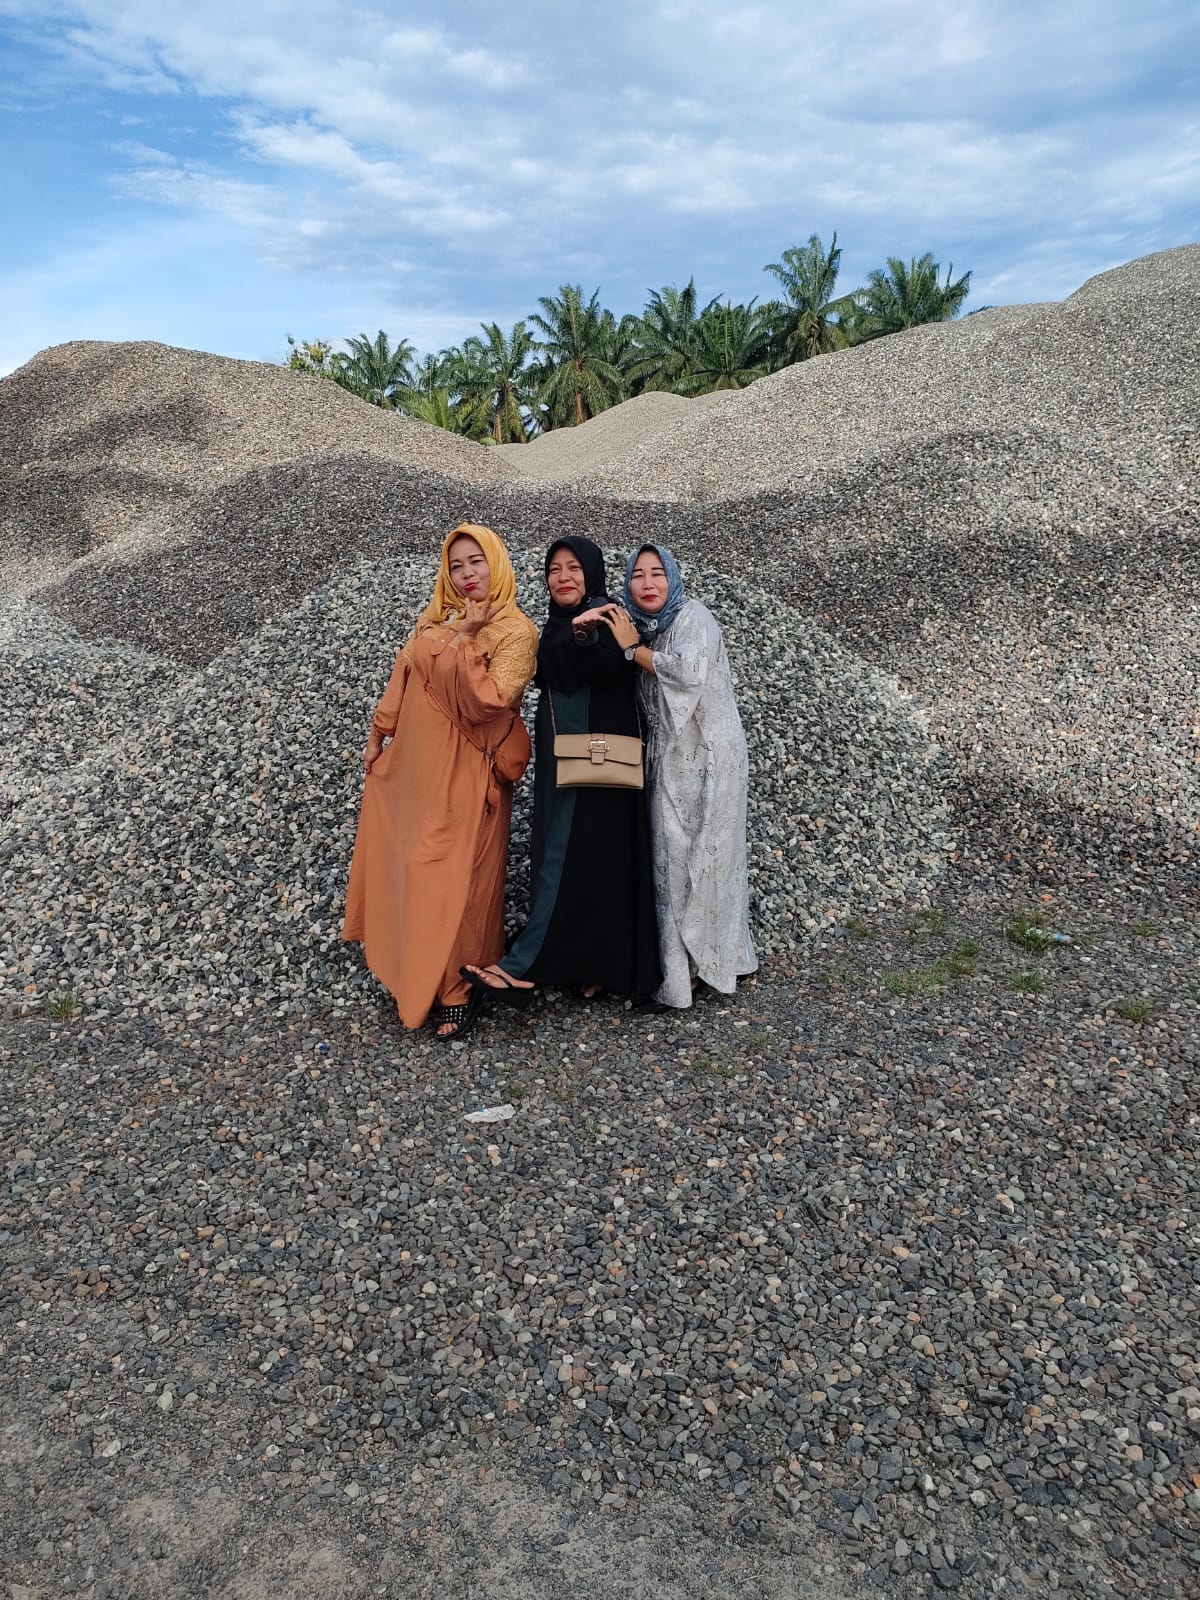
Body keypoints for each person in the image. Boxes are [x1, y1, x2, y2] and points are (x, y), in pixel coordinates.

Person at [341, 523, 538, 1040]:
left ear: (496, 563)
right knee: (416, 870)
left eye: (477, 561)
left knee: (463, 880)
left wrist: (468, 638)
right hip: (416, 769)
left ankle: (457, 987)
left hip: (468, 772)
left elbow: (490, 703)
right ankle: (415, 971)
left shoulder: (516, 631)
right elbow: (403, 677)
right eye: (456, 565)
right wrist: (378, 735)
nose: (467, 573)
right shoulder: (437, 618)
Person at [462, 536, 660, 1006]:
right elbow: (556, 658)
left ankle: (523, 967)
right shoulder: (560, 622)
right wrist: (571, 632)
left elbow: (605, 663)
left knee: (563, 858)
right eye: (554, 570)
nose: (563, 577)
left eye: (574, 568)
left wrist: (582, 633)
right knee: (592, 863)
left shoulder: (606, 616)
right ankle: (598, 966)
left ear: (592, 573)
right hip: (576, 761)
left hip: (591, 764)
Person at [583, 545, 757, 1009]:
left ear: (673, 578)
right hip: (671, 758)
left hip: (711, 758)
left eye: (657, 573)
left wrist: (631, 649)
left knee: (706, 857)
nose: (647, 583)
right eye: (637, 575)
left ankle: (700, 968)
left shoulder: (692, 617)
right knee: (674, 860)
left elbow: (687, 672)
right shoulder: (646, 629)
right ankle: (688, 968)